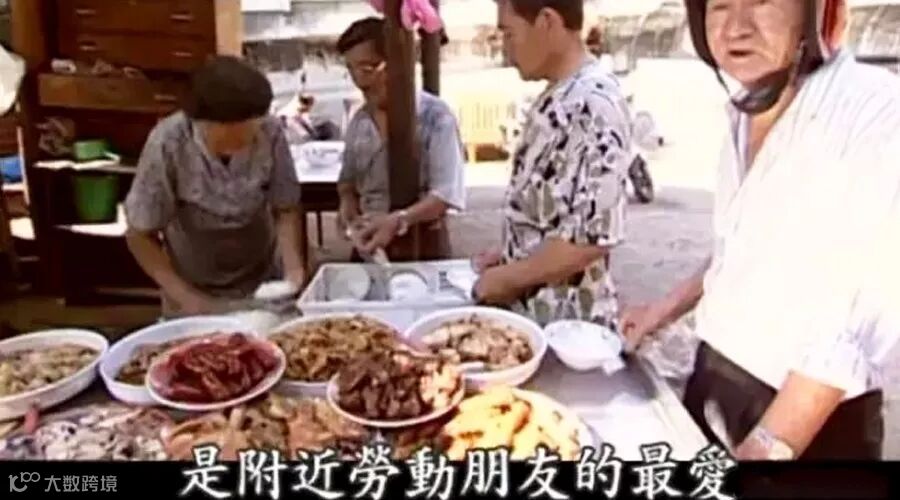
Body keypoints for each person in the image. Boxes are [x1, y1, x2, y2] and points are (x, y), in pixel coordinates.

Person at [620, 0, 900, 459]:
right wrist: (661, 310)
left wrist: (768, 447)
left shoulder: (874, 111)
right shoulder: (746, 110)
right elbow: (742, 246)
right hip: (716, 379)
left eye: (761, 0)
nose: (736, 27)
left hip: (807, 420)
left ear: (813, 12)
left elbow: (848, 335)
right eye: (719, 6)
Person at [472, 0, 632, 328]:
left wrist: (509, 278)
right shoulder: (560, 93)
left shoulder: (593, 103)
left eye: (509, 34)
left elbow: (590, 239)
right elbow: (555, 215)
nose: (506, 49)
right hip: (533, 319)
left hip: (565, 327)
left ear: (546, 21)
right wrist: (512, 251)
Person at [124, 56, 306, 318]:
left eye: (247, 136)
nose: (239, 146)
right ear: (198, 123)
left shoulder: (270, 131)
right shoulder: (169, 142)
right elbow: (139, 235)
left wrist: (293, 271)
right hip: (193, 285)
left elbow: (286, 208)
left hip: (263, 281)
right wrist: (188, 298)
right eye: (226, 139)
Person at [335, 17, 466, 262]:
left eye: (367, 69)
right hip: (369, 246)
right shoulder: (359, 121)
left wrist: (399, 220)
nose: (360, 81)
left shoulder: (436, 118)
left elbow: (445, 194)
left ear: (395, 65)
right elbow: (347, 181)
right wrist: (348, 205)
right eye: (351, 70)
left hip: (422, 244)